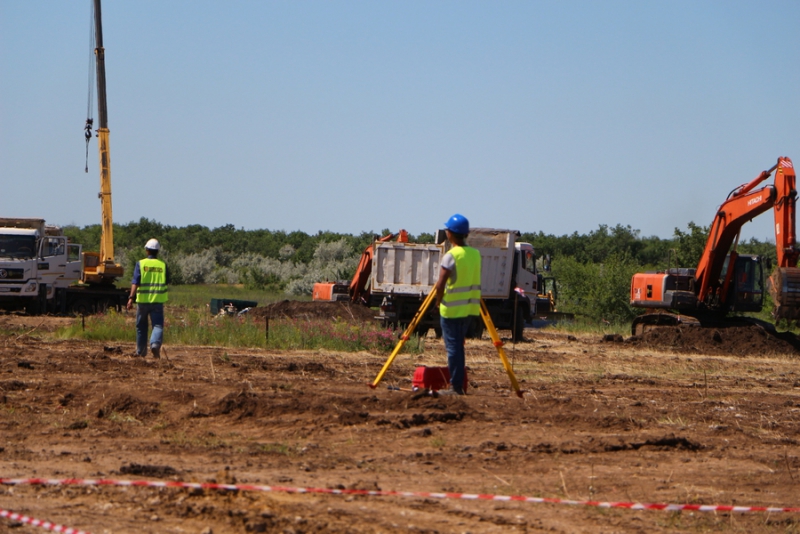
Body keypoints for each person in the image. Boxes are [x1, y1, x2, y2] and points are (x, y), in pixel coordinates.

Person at [433, 214, 481, 395]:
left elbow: (441, 283)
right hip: (469, 309)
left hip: (452, 310)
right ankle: (457, 384)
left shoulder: (451, 256)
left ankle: (456, 387)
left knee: (453, 348)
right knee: (458, 347)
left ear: (451, 233)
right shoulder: (475, 254)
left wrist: (437, 302)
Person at [127, 238, 168, 358]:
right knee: (158, 325)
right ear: (157, 251)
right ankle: (155, 344)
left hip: (143, 301)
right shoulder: (163, 265)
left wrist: (130, 298)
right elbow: (166, 281)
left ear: (147, 251)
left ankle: (141, 352)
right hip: (157, 301)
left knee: (141, 327)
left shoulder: (140, 264)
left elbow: (135, 282)